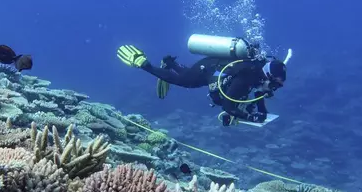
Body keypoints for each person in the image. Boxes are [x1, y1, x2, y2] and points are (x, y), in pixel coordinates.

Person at [116, 34, 288, 126]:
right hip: (209, 67)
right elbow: (228, 106)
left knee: (189, 76)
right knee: (185, 81)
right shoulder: (246, 78)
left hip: (214, 69)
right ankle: (145, 64)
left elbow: (255, 99)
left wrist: (257, 113)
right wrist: (250, 118)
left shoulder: (258, 76)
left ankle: (170, 63)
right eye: (274, 84)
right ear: (267, 76)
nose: (274, 89)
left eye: (277, 86)